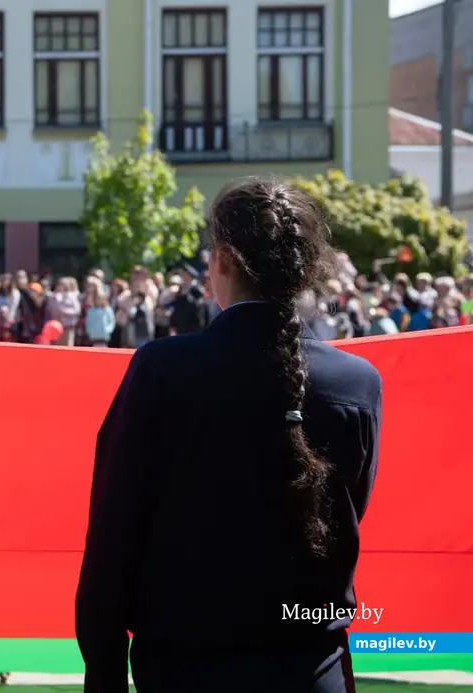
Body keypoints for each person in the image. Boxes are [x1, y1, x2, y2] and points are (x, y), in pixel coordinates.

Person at [75, 179, 383, 693]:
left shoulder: (163, 370)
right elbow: (349, 512)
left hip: (186, 668)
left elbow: (113, 535)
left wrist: (104, 674)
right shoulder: (358, 382)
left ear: (223, 259)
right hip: (309, 667)